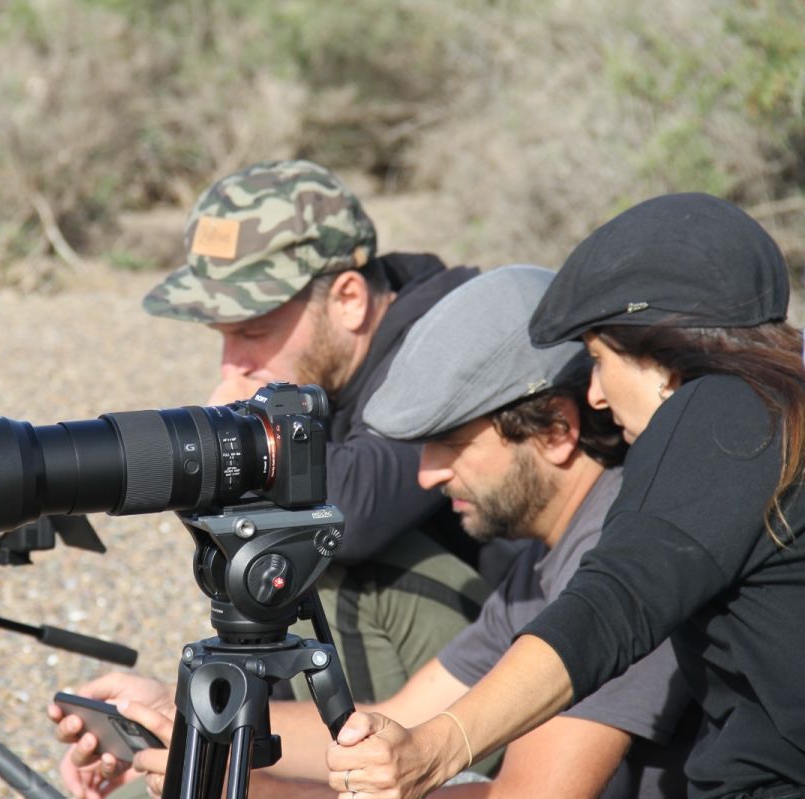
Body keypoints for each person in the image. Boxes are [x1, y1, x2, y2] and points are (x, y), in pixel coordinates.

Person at [51, 265, 696, 799]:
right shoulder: (544, 567)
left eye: (448, 443)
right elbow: (405, 722)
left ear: (557, 431)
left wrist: (259, 793)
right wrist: (187, 718)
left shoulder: (626, 556)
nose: (426, 476)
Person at [328, 193, 805, 799]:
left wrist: (437, 749)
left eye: (602, 361)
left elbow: (613, 607)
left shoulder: (720, 410)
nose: (598, 397)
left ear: (666, 363)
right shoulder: (779, 407)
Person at [141, 159, 490, 704]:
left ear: (348, 299)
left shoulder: (454, 336)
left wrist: (238, 433)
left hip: (543, 687)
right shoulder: (347, 355)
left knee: (322, 553)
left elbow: (355, 512)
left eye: (253, 331)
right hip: (455, 654)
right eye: (223, 335)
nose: (234, 362)